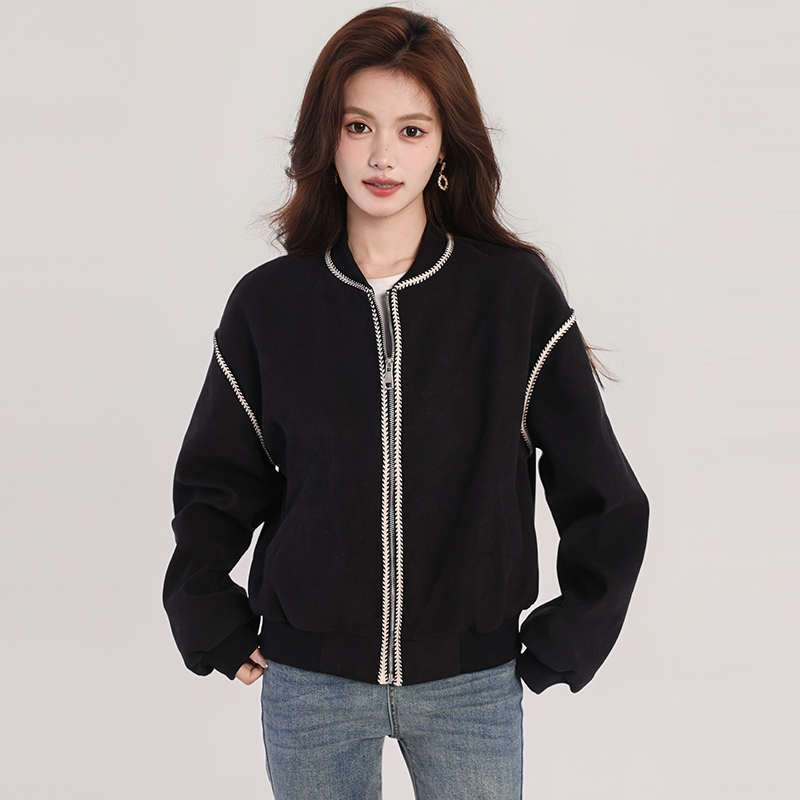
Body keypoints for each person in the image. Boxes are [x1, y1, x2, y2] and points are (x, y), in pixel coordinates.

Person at [163, 6, 649, 799]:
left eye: (412, 131)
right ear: (326, 138)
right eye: (358, 126)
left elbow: (602, 489)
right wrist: (203, 607)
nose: (382, 156)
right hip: (311, 685)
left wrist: (575, 631)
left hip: (470, 687)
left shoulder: (512, 298)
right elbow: (216, 481)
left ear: (445, 146)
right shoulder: (270, 305)